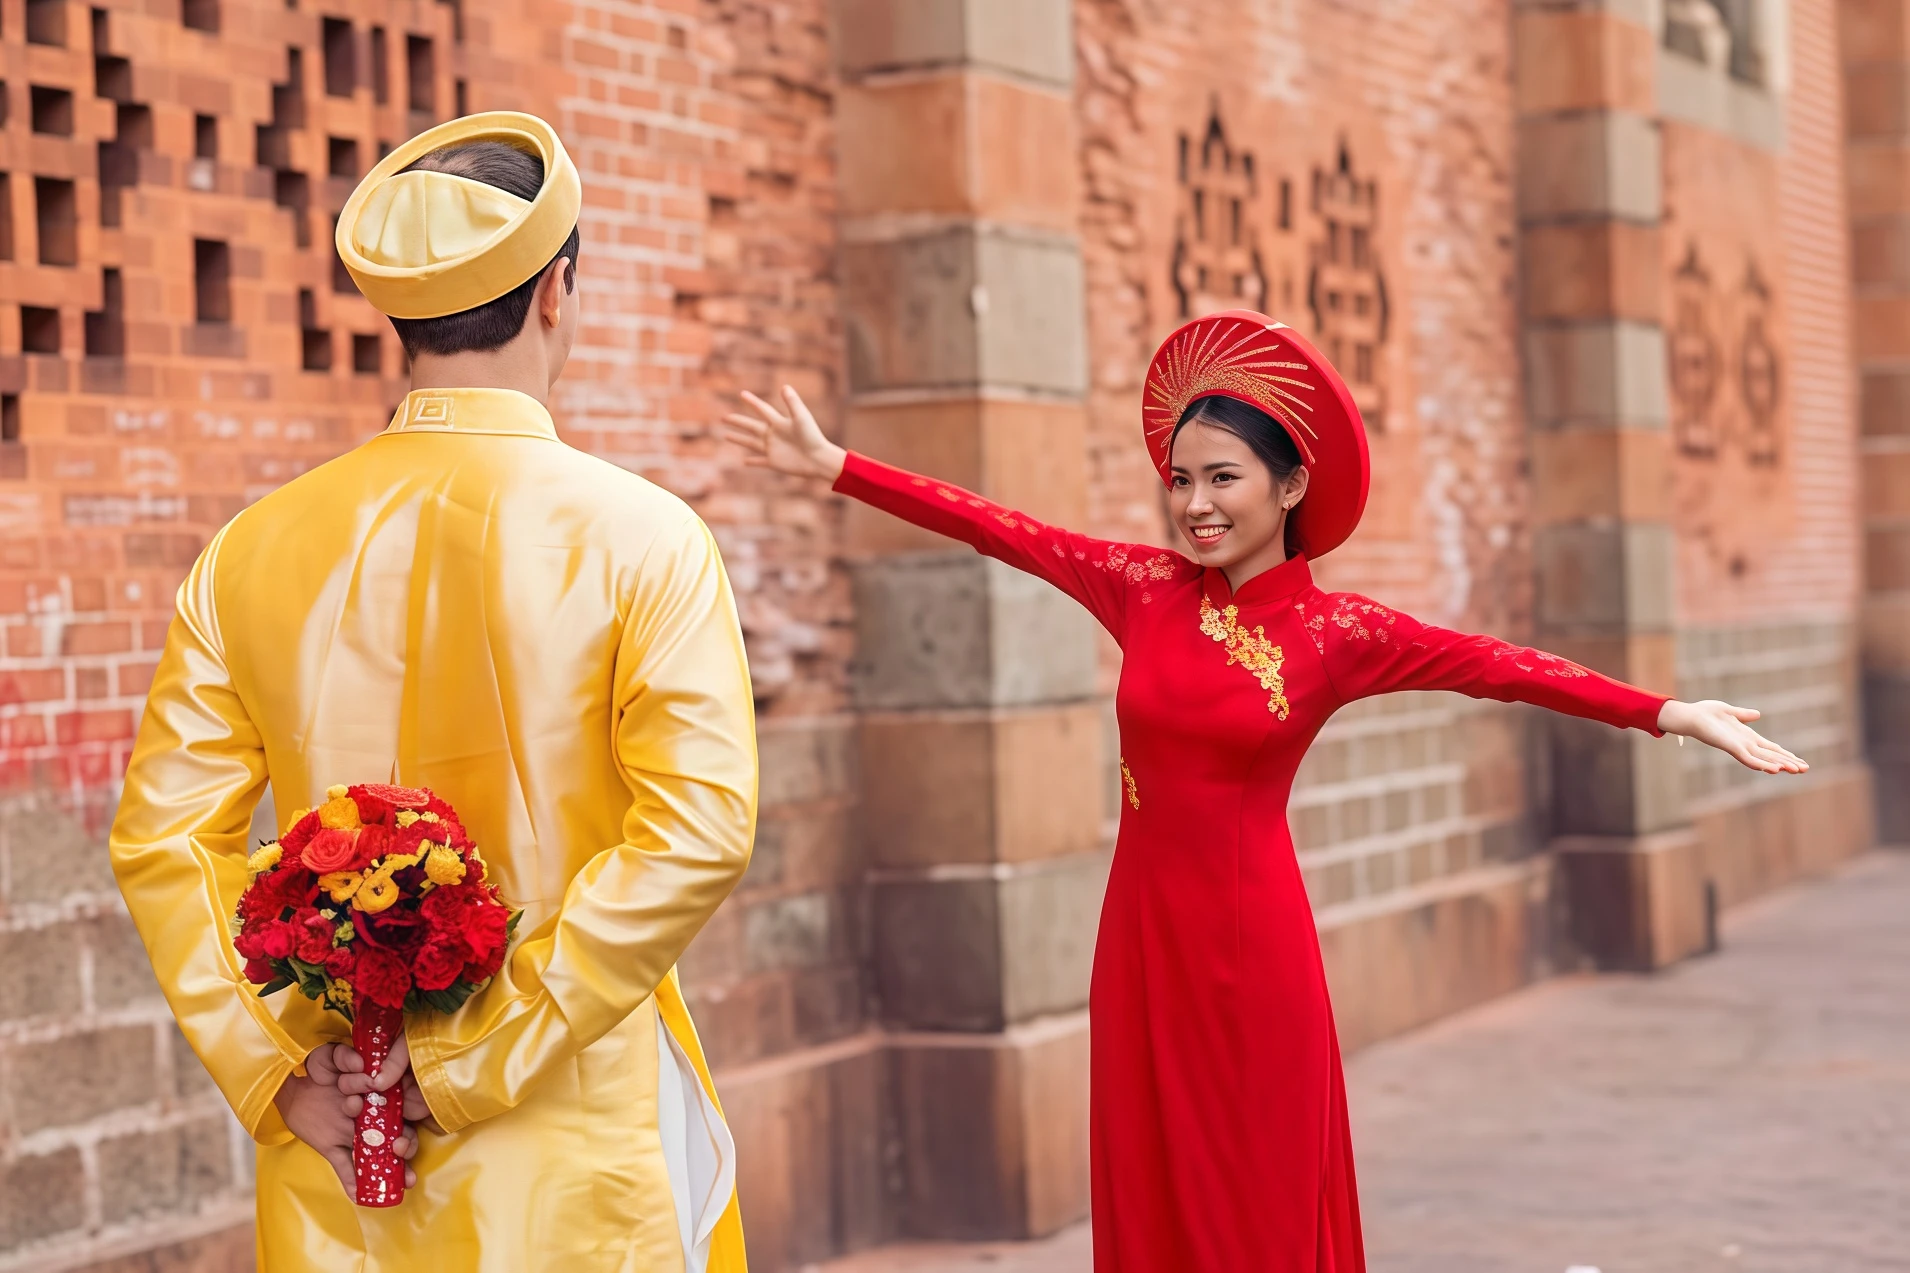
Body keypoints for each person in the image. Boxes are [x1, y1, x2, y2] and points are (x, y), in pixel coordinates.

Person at [724, 309, 1807, 1272]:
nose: (1193, 506)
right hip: (1140, 939)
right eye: (1180, 480)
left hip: (1253, 953)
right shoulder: (1140, 589)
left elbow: (1500, 666)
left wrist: (1667, 712)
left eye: (1221, 479)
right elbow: (997, 526)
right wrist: (839, 468)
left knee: (1255, 1191)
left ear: (1290, 486)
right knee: (1150, 1179)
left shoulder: (1337, 634)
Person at [110, 113, 756, 1273]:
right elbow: (697, 831)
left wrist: (270, 1072)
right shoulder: (645, 539)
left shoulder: (251, 551)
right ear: (558, 290)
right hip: (575, 1127)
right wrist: (479, 1057)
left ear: (400, 316)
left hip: (344, 1126)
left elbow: (162, 839)